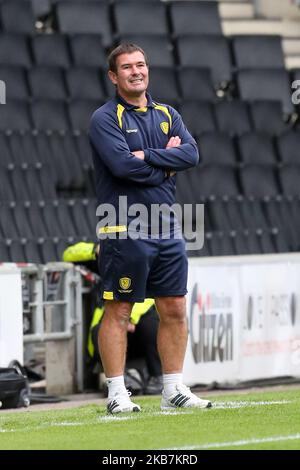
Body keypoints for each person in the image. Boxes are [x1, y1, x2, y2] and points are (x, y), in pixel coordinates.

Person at [89, 43, 212, 413]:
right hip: (122, 225)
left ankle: (172, 389)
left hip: (166, 225)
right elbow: (123, 167)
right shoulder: (105, 118)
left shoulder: (167, 113)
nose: (136, 71)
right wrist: (167, 163)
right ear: (114, 76)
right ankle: (116, 394)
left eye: (141, 65)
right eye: (127, 67)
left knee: (174, 307)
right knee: (119, 310)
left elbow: (191, 153)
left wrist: (148, 156)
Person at [62, 241, 163, 395]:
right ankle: (117, 381)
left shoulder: (146, 257)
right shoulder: (111, 254)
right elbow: (68, 254)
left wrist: (131, 318)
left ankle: (158, 377)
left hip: (136, 332)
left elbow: (149, 297)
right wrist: (95, 250)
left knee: (151, 324)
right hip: (106, 329)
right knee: (103, 328)